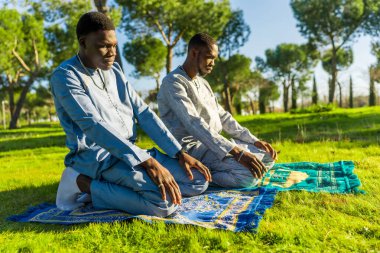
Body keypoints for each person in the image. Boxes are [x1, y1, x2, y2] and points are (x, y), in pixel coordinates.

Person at [50, 12, 211, 217]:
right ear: (83, 42)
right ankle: (81, 182)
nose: (112, 53)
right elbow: (93, 124)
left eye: (114, 45)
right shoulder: (65, 76)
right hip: (98, 158)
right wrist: (147, 162)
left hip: (132, 153)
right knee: (165, 204)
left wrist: (178, 153)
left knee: (198, 179)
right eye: (104, 46)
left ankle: (113, 190)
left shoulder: (115, 71)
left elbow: (143, 113)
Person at [157, 33, 277, 189]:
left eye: (214, 59)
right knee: (248, 177)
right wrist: (237, 152)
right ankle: (202, 175)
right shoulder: (173, 82)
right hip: (193, 150)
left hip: (216, 145)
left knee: (268, 156)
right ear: (194, 53)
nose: (213, 63)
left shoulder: (204, 83)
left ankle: (225, 166)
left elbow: (223, 116)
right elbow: (194, 123)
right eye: (209, 57)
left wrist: (253, 140)